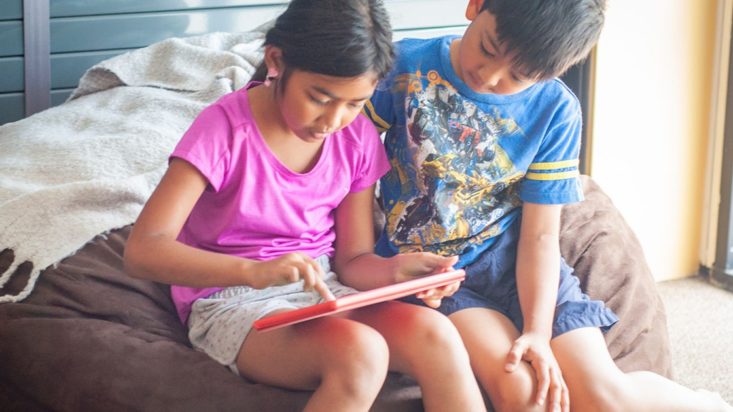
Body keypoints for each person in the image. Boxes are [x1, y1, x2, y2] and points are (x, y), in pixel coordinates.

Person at [359, 0, 733, 411]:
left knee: (607, 397)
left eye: (517, 76)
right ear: (476, 6)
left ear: (551, 73)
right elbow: (346, 155)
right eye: (487, 47)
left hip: (521, 261)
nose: (489, 75)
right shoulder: (404, 67)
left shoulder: (556, 110)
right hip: (442, 277)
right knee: (525, 396)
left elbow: (540, 235)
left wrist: (538, 332)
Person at [123, 1, 487, 411]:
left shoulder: (357, 139)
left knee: (438, 336)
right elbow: (144, 250)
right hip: (231, 299)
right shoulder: (223, 129)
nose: (333, 120)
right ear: (276, 61)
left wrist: (396, 271)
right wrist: (256, 272)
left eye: (353, 104)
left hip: (322, 290)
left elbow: (351, 260)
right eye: (320, 97)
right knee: (360, 353)